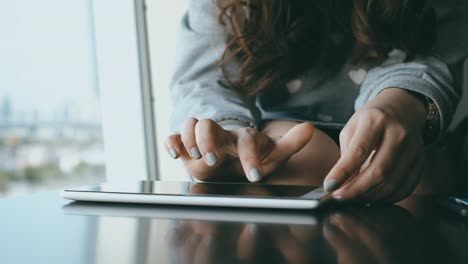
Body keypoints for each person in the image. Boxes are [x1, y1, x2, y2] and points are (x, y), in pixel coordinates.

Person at [165, 0, 468, 203]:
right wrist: (225, 135)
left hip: (405, 126)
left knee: (413, 175)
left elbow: (430, 55)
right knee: (301, 158)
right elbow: (204, 80)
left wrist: (401, 103)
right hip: (281, 136)